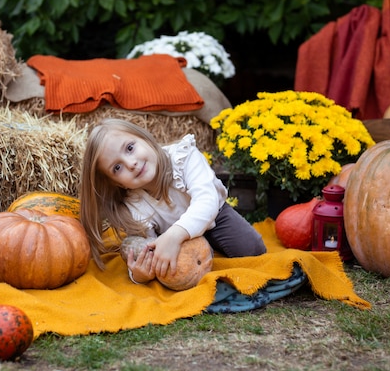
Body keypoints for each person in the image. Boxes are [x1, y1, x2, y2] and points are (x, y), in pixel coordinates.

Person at [79, 118, 266, 284]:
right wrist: (138, 275)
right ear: (117, 183)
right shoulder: (134, 204)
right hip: (169, 238)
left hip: (214, 218)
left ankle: (212, 245)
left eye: (130, 148)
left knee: (252, 248)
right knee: (172, 272)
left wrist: (175, 235)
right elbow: (148, 247)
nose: (131, 163)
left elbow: (206, 200)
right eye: (117, 167)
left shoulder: (183, 157)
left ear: (145, 138)